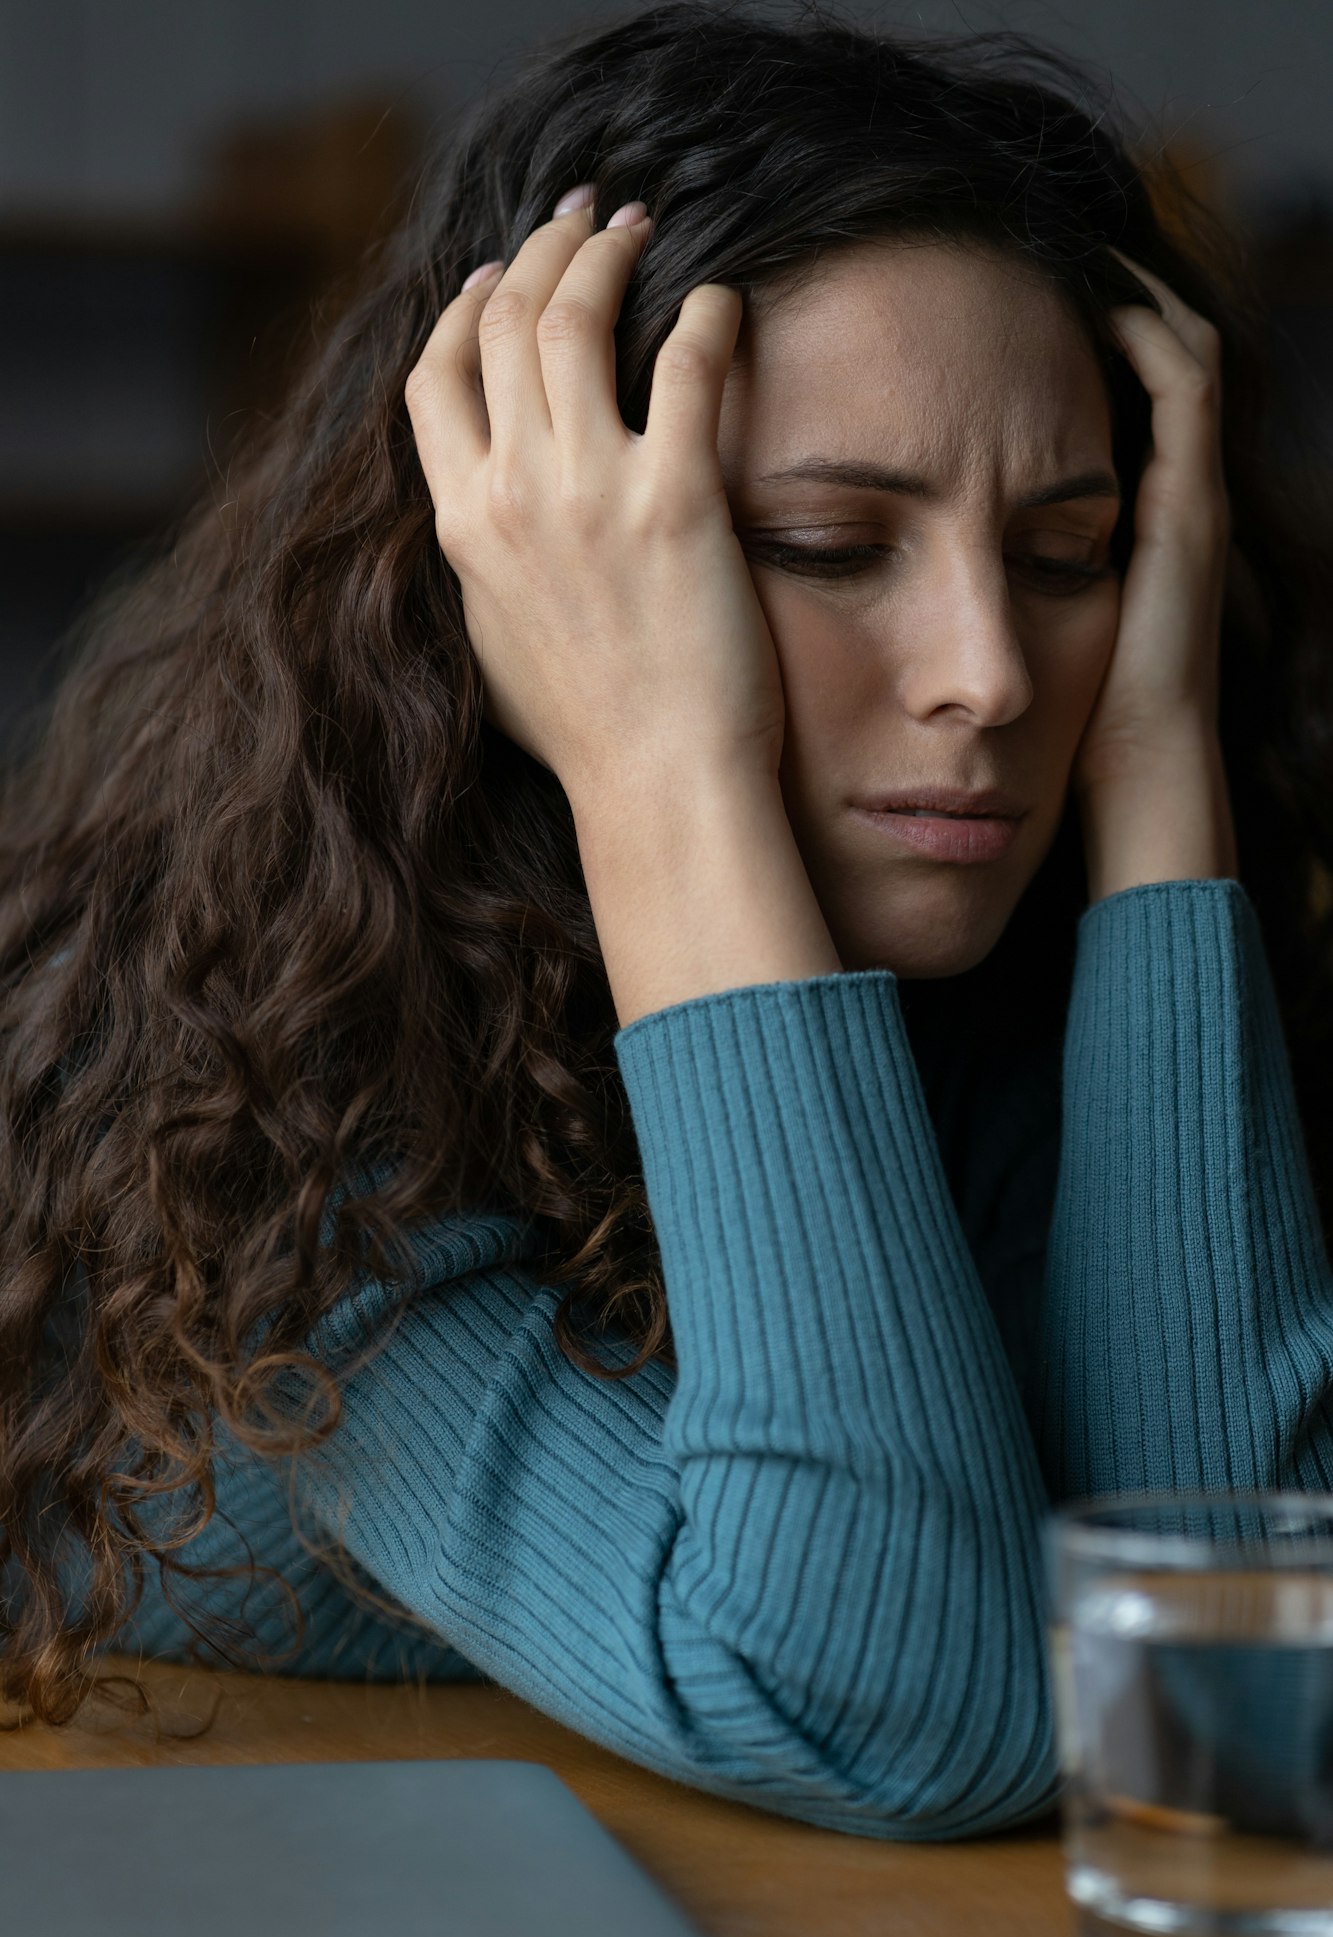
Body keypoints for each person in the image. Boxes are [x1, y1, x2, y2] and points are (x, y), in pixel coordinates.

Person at [1, 0, 1331, 1842]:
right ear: (537, 572)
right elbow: (904, 1707)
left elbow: (1230, 1704)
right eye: (818, 548)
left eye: (1065, 554)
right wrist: (659, 765)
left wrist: (1161, 757)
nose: (989, 676)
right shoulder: (284, 1115)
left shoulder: (1008, 984)